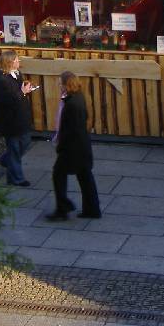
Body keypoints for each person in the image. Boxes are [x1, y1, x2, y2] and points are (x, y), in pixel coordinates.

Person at [47, 71, 101, 221]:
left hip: (72, 149)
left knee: (58, 174)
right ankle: (92, 209)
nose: (59, 85)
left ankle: (63, 208)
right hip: (82, 146)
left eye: (60, 83)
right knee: (85, 176)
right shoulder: (78, 97)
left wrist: (61, 146)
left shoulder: (72, 104)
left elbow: (70, 130)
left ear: (66, 84)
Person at [0, 50, 34, 187]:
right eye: (16, 60)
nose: (19, 62)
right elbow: (7, 100)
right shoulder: (0, 80)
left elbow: (17, 93)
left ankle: (6, 160)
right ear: (9, 62)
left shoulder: (17, 74)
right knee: (15, 148)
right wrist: (22, 92)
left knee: (25, 141)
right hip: (9, 120)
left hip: (21, 116)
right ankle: (17, 179)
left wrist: (25, 89)